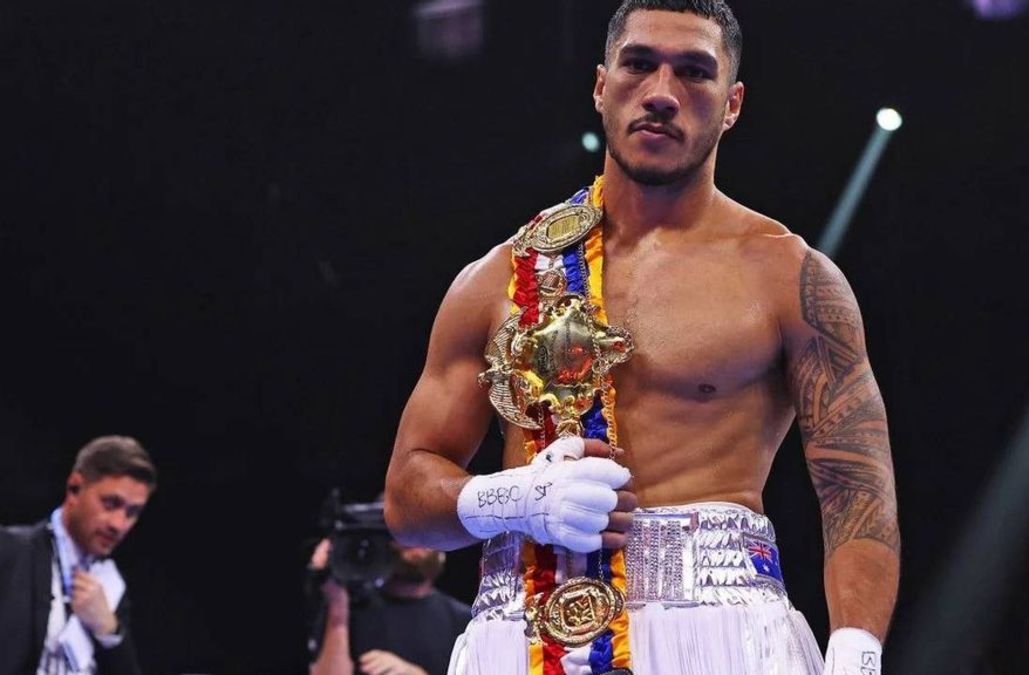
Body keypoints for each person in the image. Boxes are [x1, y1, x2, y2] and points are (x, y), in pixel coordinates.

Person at [384, 1, 900, 673]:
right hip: (527, 632)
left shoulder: (788, 277)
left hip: (723, 634)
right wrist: (517, 498)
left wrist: (857, 656)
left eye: (694, 72)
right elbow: (406, 500)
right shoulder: (500, 280)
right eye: (639, 64)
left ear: (733, 104)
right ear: (601, 86)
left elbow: (857, 490)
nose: (661, 92)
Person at [0, 435, 155, 675]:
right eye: (110, 503)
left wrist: (109, 631)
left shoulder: (112, 585)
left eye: (132, 512)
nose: (119, 524)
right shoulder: (12, 550)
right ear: (74, 488)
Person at [308, 534, 472, 675]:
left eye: (425, 529)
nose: (416, 540)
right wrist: (337, 610)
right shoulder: (347, 610)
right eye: (405, 530)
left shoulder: (464, 621)